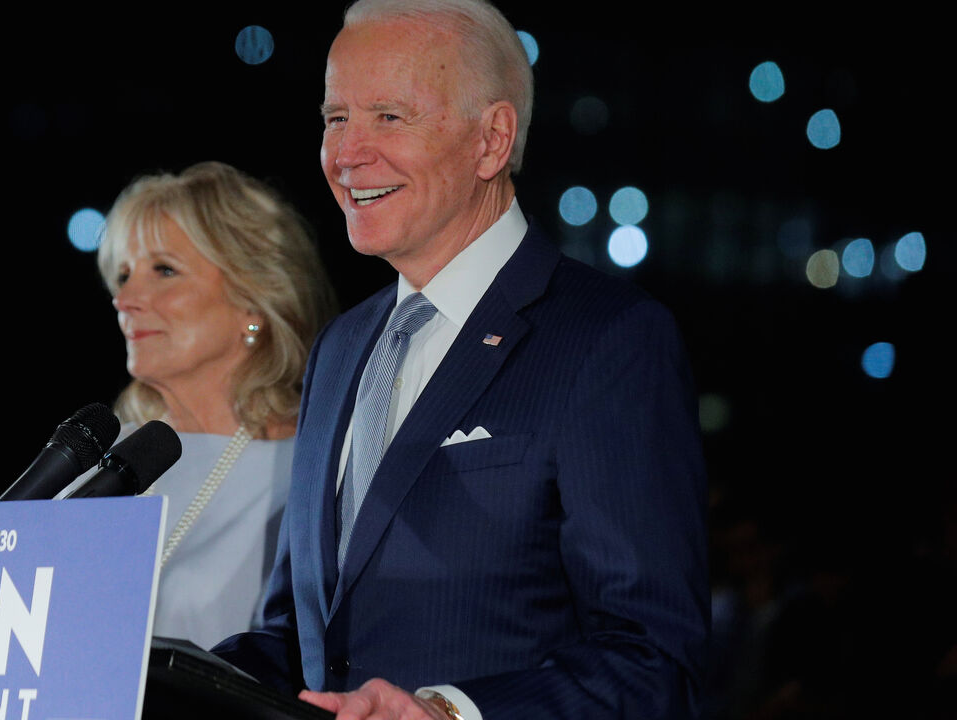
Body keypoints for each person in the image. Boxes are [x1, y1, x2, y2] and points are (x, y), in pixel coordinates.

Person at [211, 1, 709, 718]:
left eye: (388, 117)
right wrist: (151, 672)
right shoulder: (341, 347)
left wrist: (449, 713)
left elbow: (653, 663)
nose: (347, 153)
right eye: (335, 118)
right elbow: (299, 641)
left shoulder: (609, 341)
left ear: (491, 140)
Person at [95, 160, 338, 652]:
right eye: (123, 275)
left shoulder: (311, 469)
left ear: (254, 298)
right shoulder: (95, 460)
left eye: (164, 270)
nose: (126, 299)